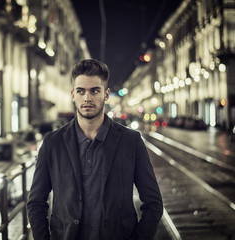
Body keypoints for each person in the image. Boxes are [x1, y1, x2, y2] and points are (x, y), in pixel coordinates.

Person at [27, 59, 163, 240]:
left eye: (95, 91)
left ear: (106, 94)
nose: (87, 98)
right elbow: (36, 202)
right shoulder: (53, 143)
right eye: (81, 91)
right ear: (72, 94)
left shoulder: (131, 141)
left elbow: (153, 203)